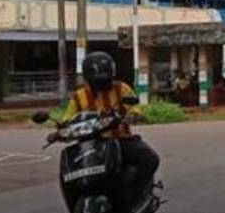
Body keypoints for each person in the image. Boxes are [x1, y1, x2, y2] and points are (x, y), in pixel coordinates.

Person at [59, 52, 160, 199]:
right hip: (88, 145)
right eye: (96, 82)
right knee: (69, 174)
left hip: (120, 140)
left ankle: (133, 194)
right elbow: (67, 120)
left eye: (104, 81)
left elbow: (134, 109)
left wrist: (132, 116)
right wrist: (60, 132)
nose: (101, 86)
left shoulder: (121, 89)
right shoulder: (79, 96)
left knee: (150, 159)